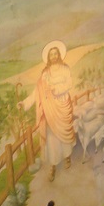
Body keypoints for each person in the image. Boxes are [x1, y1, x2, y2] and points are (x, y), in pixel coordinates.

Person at [20, 40, 76, 182]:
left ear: (59, 55)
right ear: (48, 58)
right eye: (51, 54)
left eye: (55, 53)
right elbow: (36, 91)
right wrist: (25, 103)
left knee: (65, 134)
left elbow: (69, 83)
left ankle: (67, 156)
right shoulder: (45, 73)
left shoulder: (65, 69)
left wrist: (56, 90)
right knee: (51, 138)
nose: (53, 56)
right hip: (50, 109)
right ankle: (53, 166)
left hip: (63, 104)